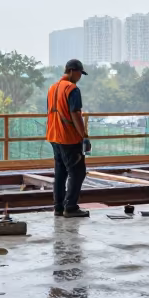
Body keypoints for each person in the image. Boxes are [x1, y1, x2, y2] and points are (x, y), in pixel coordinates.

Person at [45, 58, 92, 217]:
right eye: (80, 73)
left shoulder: (52, 88)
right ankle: (70, 207)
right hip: (69, 138)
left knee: (60, 171)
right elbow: (75, 114)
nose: (80, 77)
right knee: (77, 171)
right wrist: (84, 136)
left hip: (54, 136)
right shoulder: (72, 89)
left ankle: (58, 207)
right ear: (72, 71)